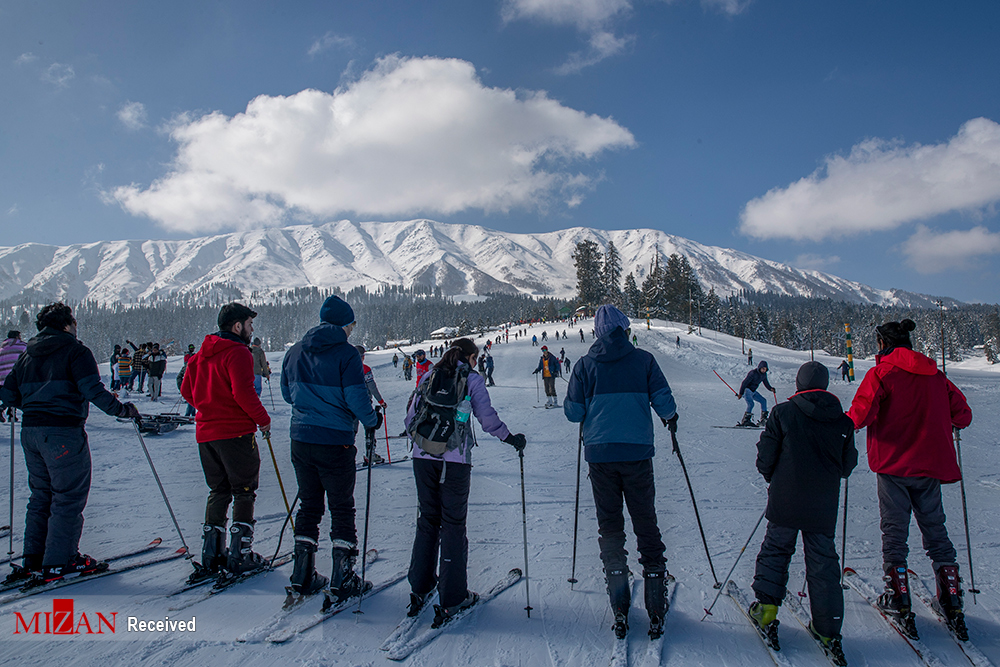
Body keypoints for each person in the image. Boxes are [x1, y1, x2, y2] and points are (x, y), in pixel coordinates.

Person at [846, 319, 973, 639]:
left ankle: (898, 596)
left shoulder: (882, 373)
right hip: (929, 466)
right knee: (936, 531)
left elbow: (860, 415)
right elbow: (964, 415)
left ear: (881, 344)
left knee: (894, 531)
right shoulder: (935, 375)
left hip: (893, 466)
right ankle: (952, 596)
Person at [0, 303, 139, 584]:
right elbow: (92, 390)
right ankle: (59, 561)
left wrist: (34, 400)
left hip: (31, 432)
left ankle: (33, 559)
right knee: (68, 496)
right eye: (74, 321)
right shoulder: (75, 351)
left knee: (41, 495)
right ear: (66, 324)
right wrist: (122, 410)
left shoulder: (27, 355)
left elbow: (9, 394)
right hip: (63, 431)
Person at [564, 304, 677, 640]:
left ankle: (619, 600)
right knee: (646, 520)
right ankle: (656, 601)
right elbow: (665, 404)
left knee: (610, 524)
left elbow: (573, 413)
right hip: (637, 453)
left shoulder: (585, 365)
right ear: (625, 329)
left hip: (600, 455)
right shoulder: (643, 360)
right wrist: (669, 418)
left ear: (598, 334)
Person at [404, 338, 526, 626]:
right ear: (471, 357)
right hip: (454, 462)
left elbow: (411, 415)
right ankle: (453, 597)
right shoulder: (472, 379)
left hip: (422, 457)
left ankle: (420, 587)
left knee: (427, 520)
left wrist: (423, 445)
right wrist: (509, 437)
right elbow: (486, 418)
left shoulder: (430, 374)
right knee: (453, 525)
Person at [748, 361, 857, 661]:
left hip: (786, 498)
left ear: (798, 383)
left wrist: (774, 476)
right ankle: (827, 626)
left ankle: (767, 610)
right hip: (822, 504)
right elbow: (847, 467)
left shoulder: (783, 413)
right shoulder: (843, 422)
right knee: (823, 562)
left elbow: (765, 457)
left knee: (776, 550)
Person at [281, 296, 382, 603]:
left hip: (300, 438)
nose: (353, 329)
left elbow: (288, 394)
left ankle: (302, 573)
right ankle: (343, 576)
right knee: (341, 506)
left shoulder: (294, 351)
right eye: (352, 324)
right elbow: (356, 397)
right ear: (344, 324)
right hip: (335, 439)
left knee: (309, 505)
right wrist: (371, 419)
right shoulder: (347, 354)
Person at [181, 303, 271, 581]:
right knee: (244, 490)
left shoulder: (199, 356)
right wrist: (263, 420)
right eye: (249, 324)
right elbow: (244, 393)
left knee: (218, 490)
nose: (251, 329)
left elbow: (186, 390)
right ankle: (240, 555)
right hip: (235, 433)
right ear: (237, 326)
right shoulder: (238, 353)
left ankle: (212, 553)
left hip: (206, 434)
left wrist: (208, 409)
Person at [356, 344, 387, 466]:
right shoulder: (365, 369)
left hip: (348, 404)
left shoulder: (345, 368)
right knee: (370, 428)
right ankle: (370, 454)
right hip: (364, 403)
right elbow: (372, 387)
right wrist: (381, 401)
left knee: (350, 431)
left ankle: (346, 456)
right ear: (363, 357)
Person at [738, 361, 775, 427]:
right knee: (751, 404)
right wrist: (741, 393)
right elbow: (744, 383)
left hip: (753, 391)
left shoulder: (764, 375)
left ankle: (763, 419)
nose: (764, 370)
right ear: (759, 368)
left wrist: (770, 388)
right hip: (747, 390)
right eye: (763, 368)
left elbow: (766, 383)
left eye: (765, 369)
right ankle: (746, 420)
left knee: (763, 401)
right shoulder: (753, 373)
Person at [179, 344, 197, 417]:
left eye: (193, 348)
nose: (192, 349)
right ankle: (191, 414)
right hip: (188, 374)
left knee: (192, 396)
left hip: (193, 376)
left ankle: (189, 414)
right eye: (191, 348)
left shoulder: (194, 355)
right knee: (191, 396)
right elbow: (187, 363)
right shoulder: (188, 355)